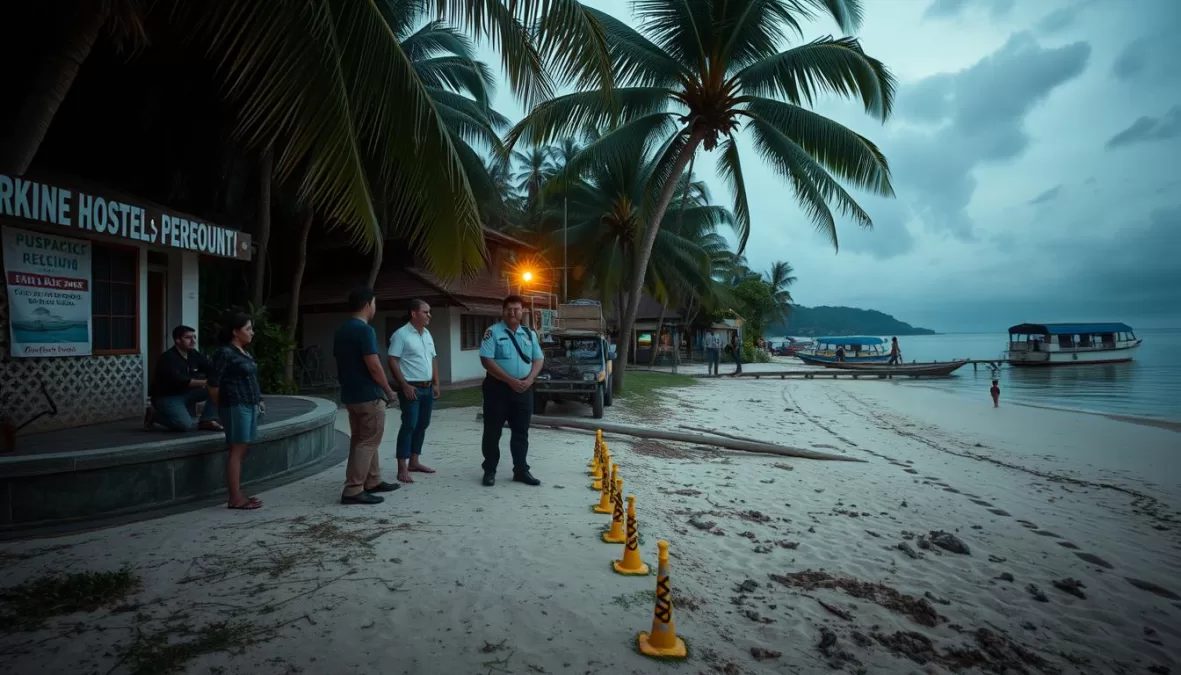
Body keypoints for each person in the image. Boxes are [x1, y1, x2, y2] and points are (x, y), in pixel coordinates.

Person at [334, 286, 401, 505]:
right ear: (366, 305)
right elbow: (373, 365)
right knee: (369, 441)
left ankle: (372, 480)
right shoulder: (365, 330)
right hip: (368, 394)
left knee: (361, 439)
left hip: (351, 395)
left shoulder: (342, 330)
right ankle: (353, 489)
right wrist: (388, 390)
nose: (375, 308)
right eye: (374, 303)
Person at [479, 295, 543, 487]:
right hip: (497, 389)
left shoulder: (529, 334)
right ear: (503, 311)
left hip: (524, 389)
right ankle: (489, 470)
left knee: (521, 432)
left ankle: (521, 470)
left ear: (523, 312)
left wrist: (530, 380)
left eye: (517, 309)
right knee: (492, 431)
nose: (513, 312)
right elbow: (486, 360)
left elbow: (538, 359)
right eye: (509, 309)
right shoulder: (492, 332)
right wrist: (509, 380)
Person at [208, 312, 265, 510]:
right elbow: (214, 384)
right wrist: (220, 406)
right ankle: (235, 498)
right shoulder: (225, 353)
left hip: (248, 404)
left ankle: (237, 493)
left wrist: (259, 399)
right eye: (248, 329)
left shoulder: (244, 352)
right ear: (235, 332)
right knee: (237, 449)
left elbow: (251, 379)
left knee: (242, 449)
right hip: (235, 404)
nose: (252, 333)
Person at [387, 298, 439, 483]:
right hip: (411, 388)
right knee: (409, 424)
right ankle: (402, 468)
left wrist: (436, 383)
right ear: (414, 313)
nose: (429, 315)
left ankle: (414, 461)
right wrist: (404, 385)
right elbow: (392, 359)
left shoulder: (427, 334)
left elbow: (433, 359)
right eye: (426, 312)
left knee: (422, 424)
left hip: (427, 387)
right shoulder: (401, 335)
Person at [144, 325, 222, 432]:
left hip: (187, 393)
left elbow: (210, 369)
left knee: (220, 387)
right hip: (167, 397)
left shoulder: (193, 354)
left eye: (194, 337)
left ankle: (207, 420)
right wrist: (207, 382)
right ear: (178, 340)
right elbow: (180, 380)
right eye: (188, 338)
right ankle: (154, 415)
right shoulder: (168, 358)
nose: (193, 341)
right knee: (184, 425)